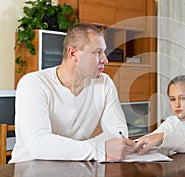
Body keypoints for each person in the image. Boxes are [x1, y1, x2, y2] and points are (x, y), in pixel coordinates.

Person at [10, 23, 135, 163]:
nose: (105, 59)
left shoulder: (104, 83)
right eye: (97, 52)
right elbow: (38, 145)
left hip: (76, 167)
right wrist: (98, 149)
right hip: (28, 170)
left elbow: (118, 134)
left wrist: (92, 149)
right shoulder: (33, 84)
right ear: (73, 54)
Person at [134, 75, 185, 155]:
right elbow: (152, 138)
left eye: (182, 98)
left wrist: (163, 138)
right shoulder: (171, 121)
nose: (177, 104)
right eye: (173, 99)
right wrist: (133, 144)